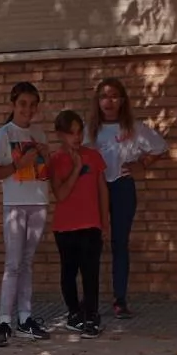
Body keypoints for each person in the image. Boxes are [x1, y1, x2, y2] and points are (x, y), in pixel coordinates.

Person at [91, 77, 167, 320]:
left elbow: (160, 147)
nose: (108, 101)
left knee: (119, 244)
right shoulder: (89, 129)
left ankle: (120, 299)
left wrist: (141, 165)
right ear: (98, 101)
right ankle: (89, 300)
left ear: (122, 100)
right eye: (103, 96)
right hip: (96, 189)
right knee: (92, 244)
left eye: (113, 96)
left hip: (123, 187)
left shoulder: (133, 128)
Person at [0, 81, 53, 346]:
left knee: (26, 263)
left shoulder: (39, 134)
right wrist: (18, 164)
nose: (28, 109)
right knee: (12, 264)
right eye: (23, 103)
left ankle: (25, 318)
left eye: (32, 104)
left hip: (38, 203)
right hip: (14, 204)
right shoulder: (3, 135)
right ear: (13, 104)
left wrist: (46, 158)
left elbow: (46, 173)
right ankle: (4, 321)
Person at [48, 109, 111, 335]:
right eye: (71, 133)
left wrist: (105, 222)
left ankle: (92, 314)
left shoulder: (93, 156)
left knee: (90, 271)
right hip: (65, 227)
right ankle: (74, 312)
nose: (76, 137)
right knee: (68, 272)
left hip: (91, 224)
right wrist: (75, 167)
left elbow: (103, 190)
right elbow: (61, 194)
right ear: (60, 135)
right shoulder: (55, 160)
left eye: (79, 131)